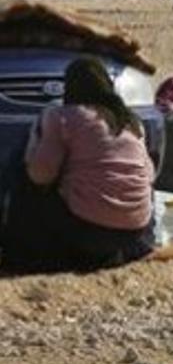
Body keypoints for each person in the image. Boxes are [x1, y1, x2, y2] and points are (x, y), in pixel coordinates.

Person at [0, 58, 154, 274]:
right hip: (135, 232)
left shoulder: (63, 117)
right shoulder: (132, 122)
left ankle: (22, 257)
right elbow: (149, 175)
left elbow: (40, 176)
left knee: (24, 175)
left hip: (87, 230)